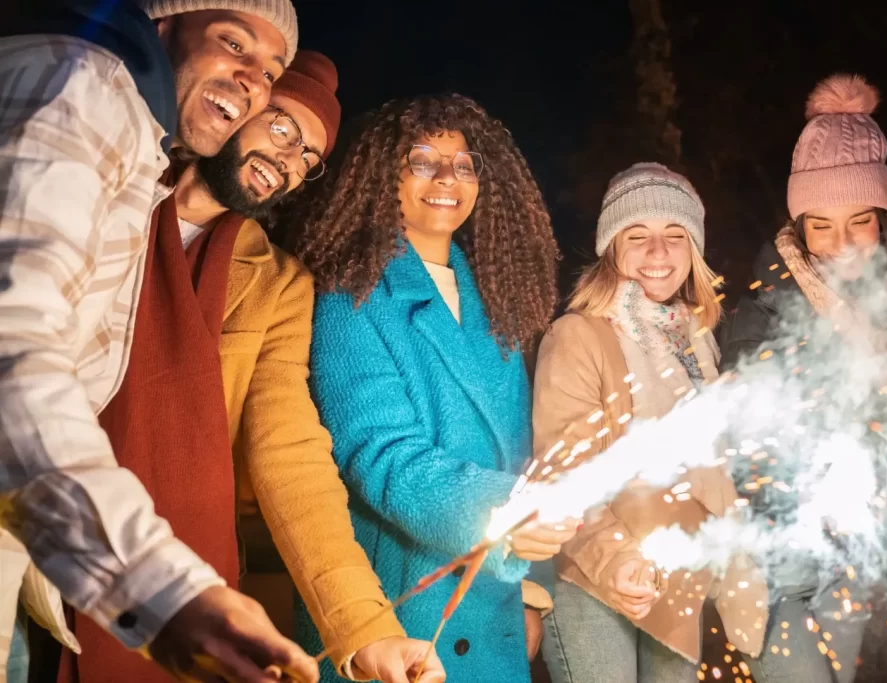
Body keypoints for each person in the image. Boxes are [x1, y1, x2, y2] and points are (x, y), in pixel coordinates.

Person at [0, 1, 318, 681]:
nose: (253, 79)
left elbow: (289, 449)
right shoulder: (87, 87)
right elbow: (13, 350)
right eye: (234, 43)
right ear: (165, 24)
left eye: (270, 70)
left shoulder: (140, 145)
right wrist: (163, 591)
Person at [170, 49, 444, 683]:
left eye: (309, 157)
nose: (290, 159)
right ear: (239, 103)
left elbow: (290, 454)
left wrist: (366, 629)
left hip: (185, 583)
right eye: (283, 127)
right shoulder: (107, 209)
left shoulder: (278, 286)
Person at [290, 93, 577, 683]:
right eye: (422, 160)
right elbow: (379, 455)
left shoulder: (497, 300)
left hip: (493, 599)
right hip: (400, 612)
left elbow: (523, 455)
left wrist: (530, 592)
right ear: (383, 177)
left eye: (464, 165)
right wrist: (506, 513)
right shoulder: (350, 295)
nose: (447, 178)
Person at [719, 74, 887, 683]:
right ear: (799, 225)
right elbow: (745, 455)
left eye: (859, 221)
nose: (841, 244)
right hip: (777, 572)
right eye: (821, 225)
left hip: (850, 570)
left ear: (882, 217)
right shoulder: (763, 312)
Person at [531, 163, 768, 683]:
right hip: (593, 578)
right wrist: (617, 561)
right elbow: (563, 474)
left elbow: (712, 472)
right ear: (612, 248)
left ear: (694, 250)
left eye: (674, 236)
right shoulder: (578, 336)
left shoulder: (696, 341)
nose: (658, 252)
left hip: (676, 578)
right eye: (637, 236)